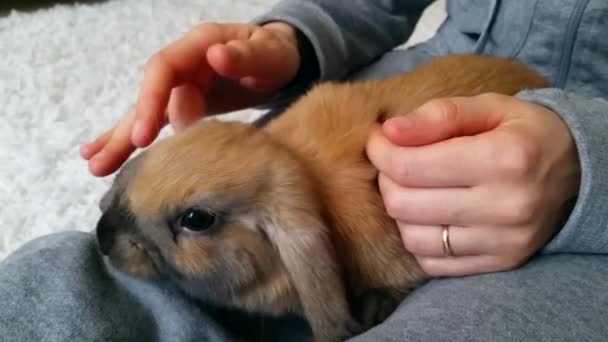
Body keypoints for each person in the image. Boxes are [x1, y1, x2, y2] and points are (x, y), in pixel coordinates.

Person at [2, 1, 607, 341]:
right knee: (61, 282)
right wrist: (294, 42)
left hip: (579, 218)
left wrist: (588, 162)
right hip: (404, 85)